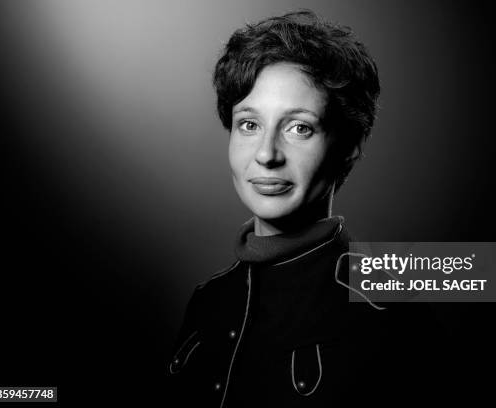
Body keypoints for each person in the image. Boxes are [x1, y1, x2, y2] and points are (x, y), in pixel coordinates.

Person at [167, 10, 447, 407]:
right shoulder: (208, 301)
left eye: (299, 127)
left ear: (348, 148)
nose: (266, 154)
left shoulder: (391, 306)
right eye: (249, 124)